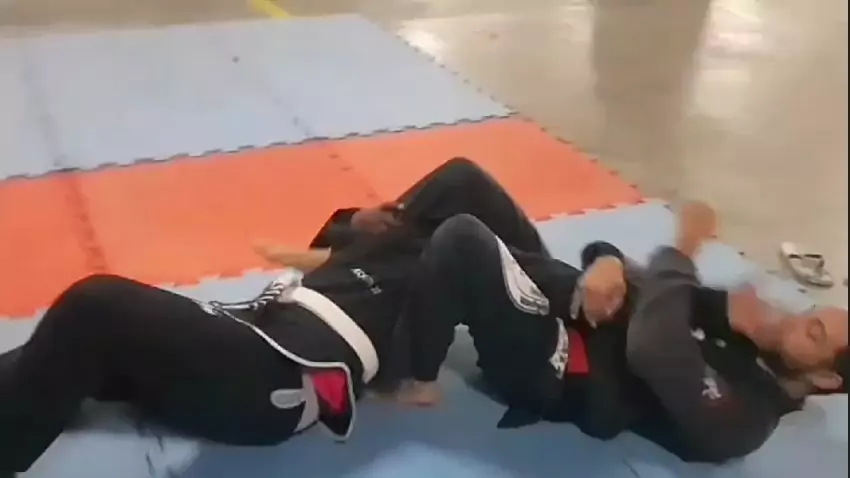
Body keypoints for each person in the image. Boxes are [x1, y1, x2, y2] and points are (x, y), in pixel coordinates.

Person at [0, 157, 624, 477]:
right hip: (249, 332)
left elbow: (517, 266)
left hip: (275, 376)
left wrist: (595, 272)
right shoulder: (404, 241)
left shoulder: (460, 265)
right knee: (67, 354)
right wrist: (361, 226)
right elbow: (363, 234)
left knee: (96, 305)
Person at [400, 201, 849, 464]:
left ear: (826, 378)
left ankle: (415, 379)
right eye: (808, 314)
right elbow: (651, 283)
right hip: (575, 301)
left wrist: (686, 245)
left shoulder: (746, 419)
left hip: (558, 365)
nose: (793, 320)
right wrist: (608, 260)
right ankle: (361, 245)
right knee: (462, 182)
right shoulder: (751, 335)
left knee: (461, 239)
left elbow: (653, 346)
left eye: (812, 334)